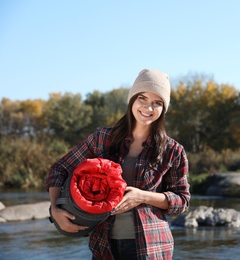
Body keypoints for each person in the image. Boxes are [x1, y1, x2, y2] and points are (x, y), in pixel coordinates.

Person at [45, 69, 191, 260]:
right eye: (142, 98)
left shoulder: (173, 150)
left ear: (163, 109)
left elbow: (182, 201)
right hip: (104, 246)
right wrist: (55, 209)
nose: (148, 108)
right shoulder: (102, 138)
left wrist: (143, 196)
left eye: (157, 103)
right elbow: (59, 169)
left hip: (152, 247)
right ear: (132, 100)